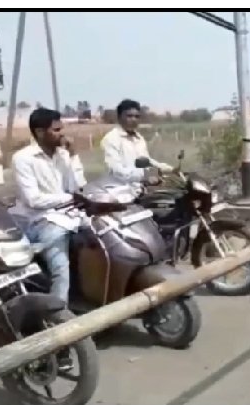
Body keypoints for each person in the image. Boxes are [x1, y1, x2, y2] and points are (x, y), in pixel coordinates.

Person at [10, 108, 85, 369]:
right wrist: (70, 198)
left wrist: (74, 157)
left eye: (60, 128)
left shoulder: (63, 155)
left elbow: (79, 186)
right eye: (56, 129)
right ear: (40, 132)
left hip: (68, 214)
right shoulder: (23, 158)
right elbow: (34, 200)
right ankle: (59, 337)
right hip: (38, 220)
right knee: (60, 266)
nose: (61, 133)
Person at [99, 99, 173, 195]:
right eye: (129, 116)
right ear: (119, 117)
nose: (134, 119)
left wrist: (168, 169)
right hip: (118, 194)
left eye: (137, 116)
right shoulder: (111, 139)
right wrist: (145, 176)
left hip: (139, 190)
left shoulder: (138, 138)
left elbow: (146, 160)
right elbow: (116, 170)